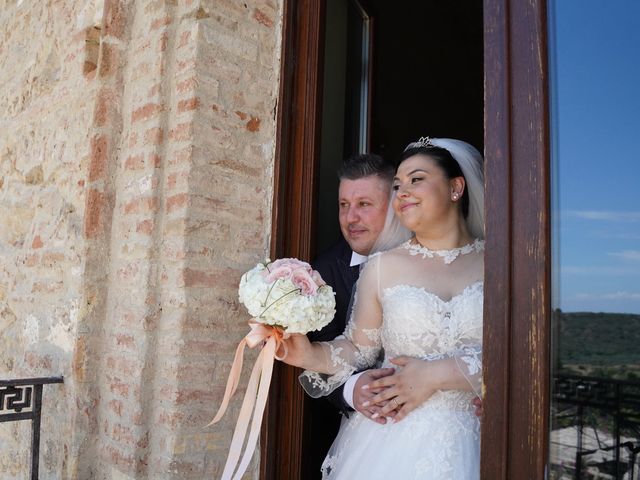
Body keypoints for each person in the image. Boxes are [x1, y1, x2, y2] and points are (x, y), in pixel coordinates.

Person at [282, 137, 485, 479]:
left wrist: (440, 373)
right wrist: (307, 353)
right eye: (397, 185)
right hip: (393, 442)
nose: (402, 192)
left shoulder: (502, 265)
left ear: (456, 187)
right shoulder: (381, 267)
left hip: (481, 437)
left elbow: (524, 355)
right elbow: (358, 349)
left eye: (416, 179)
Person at [305, 154, 399, 476]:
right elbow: (319, 349)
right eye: (344, 205)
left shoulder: (429, 255)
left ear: (394, 204)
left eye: (364, 204)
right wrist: (352, 389)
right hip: (366, 431)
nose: (351, 217)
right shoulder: (324, 270)